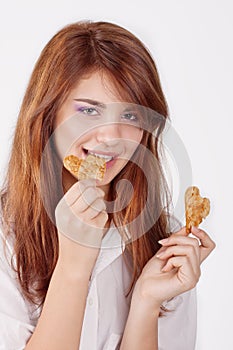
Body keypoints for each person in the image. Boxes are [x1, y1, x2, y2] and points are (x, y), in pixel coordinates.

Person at [0, 20, 215, 350]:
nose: (111, 137)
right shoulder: (5, 237)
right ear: (48, 115)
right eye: (89, 110)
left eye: (130, 116)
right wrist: (74, 266)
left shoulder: (165, 246)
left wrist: (146, 301)